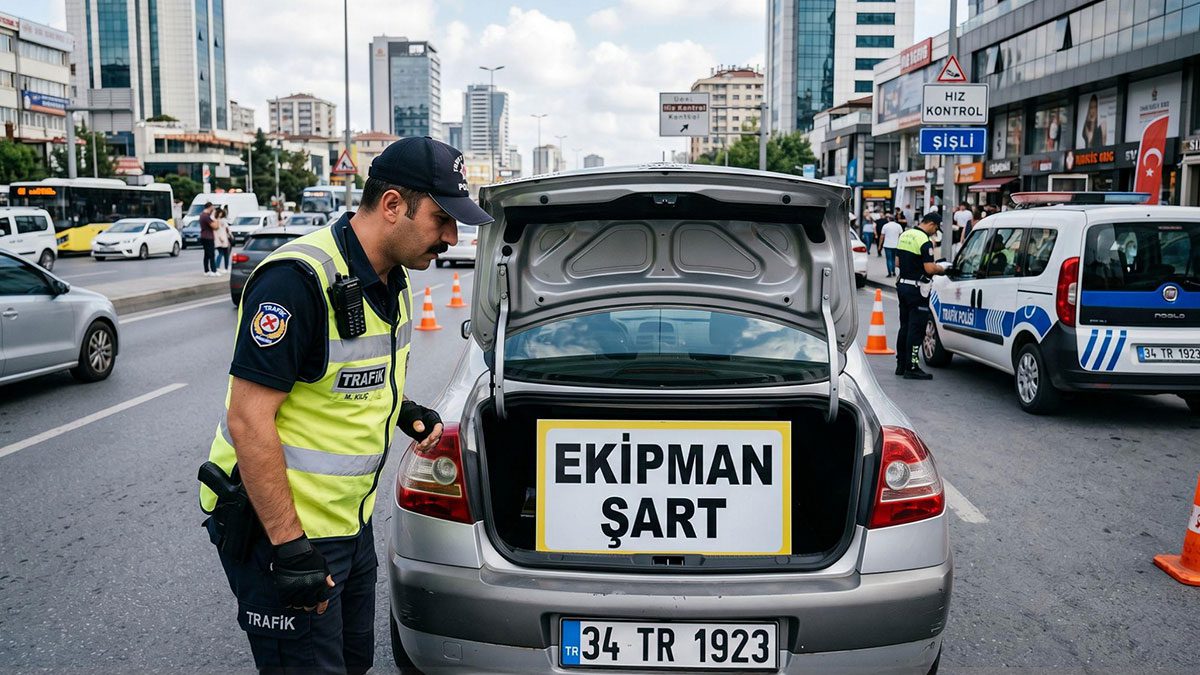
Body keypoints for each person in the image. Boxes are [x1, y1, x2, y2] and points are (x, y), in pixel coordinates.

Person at [197, 137, 493, 673]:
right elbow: (248, 418)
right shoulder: (297, 281)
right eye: (441, 218)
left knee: (353, 661)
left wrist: (403, 410)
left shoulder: (389, 277)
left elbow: (347, 373)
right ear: (393, 205)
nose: (452, 237)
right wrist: (289, 548)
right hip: (283, 529)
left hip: (348, 524)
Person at [895, 212, 949, 380]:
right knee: (916, 329)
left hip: (902, 286)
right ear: (932, 224)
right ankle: (912, 366)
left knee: (904, 326)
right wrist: (942, 268)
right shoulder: (925, 241)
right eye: (936, 228)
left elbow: (897, 262)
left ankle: (901, 365)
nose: (935, 231)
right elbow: (929, 269)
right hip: (917, 290)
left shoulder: (905, 234)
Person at [880, 213, 904, 278]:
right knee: (894, 259)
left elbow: (882, 236)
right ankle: (893, 272)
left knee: (888, 259)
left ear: (888, 219)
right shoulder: (898, 226)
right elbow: (901, 235)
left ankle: (889, 273)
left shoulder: (885, 226)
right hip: (896, 245)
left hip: (887, 245)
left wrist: (880, 246)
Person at [213, 207, 233, 274]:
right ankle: (224, 268)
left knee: (221, 253)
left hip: (218, 239)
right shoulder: (223, 220)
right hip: (224, 239)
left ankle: (217, 267)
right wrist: (230, 236)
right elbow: (227, 229)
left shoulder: (215, 220)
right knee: (225, 254)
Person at [199, 202, 217, 276]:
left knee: (206, 254)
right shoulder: (206, 216)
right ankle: (213, 270)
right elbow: (215, 226)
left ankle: (206, 270)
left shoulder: (202, 215)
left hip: (204, 236)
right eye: (212, 207)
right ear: (210, 207)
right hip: (208, 237)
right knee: (211, 254)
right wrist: (216, 219)